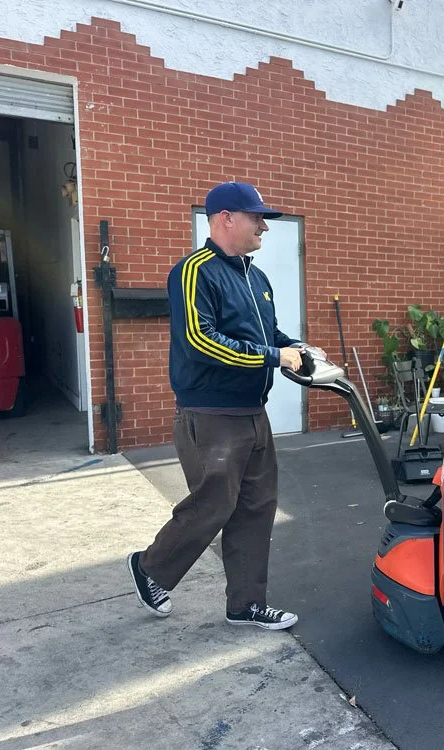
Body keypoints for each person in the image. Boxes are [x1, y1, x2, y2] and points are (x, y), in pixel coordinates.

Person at [127, 181, 321, 630]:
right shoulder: (193, 271)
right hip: (210, 415)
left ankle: (245, 604)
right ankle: (150, 567)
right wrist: (274, 356)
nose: (263, 228)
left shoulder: (256, 277)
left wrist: (295, 346)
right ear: (225, 219)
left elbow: (265, 336)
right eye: (256, 219)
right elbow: (200, 341)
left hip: (253, 413)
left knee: (257, 506)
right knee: (214, 504)